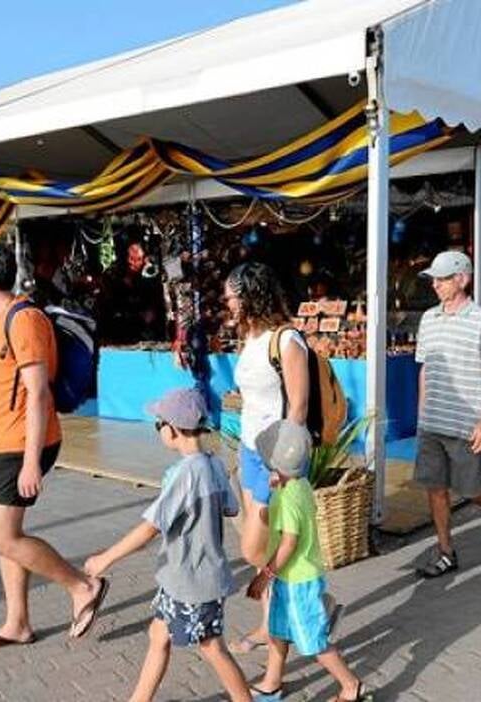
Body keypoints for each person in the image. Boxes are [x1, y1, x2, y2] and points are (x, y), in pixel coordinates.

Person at [0, 242, 108, 652]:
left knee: (0, 538)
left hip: (23, 442)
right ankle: (18, 623)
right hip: (0, 439)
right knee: (8, 536)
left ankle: (82, 586)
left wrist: (30, 462)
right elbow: (2, 377)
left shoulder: (25, 319)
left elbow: (39, 393)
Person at [84, 387, 251, 702]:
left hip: (193, 581)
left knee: (212, 647)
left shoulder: (186, 474)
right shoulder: (214, 464)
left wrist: (105, 558)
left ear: (172, 429)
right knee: (158, 634)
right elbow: (231, 508)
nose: (158, 429)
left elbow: (150, 528)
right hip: (182, 578)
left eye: (158, 424)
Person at [246, 420, 369, 702]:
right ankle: (272, 682)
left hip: (298, 581)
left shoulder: (288, 498)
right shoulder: (298, 485)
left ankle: (351, 686)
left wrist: (265, 574)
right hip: (288, 578)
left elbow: (289, 542)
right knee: (278, 630)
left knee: (312, 641)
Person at [413, 250, 481, 578]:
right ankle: (446, 552)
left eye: (442, 279)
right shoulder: (428, 318)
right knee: (435, 488)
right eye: (433, 280)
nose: (435, 285)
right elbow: (425, 368)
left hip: (465, 423)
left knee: (470, 489)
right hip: (432, 423)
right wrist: (421, 415)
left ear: (462, 279)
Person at [223, 262, 310, 652]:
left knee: (254, 548)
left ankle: (309, 606)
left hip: (277, 457)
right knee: (262, 549)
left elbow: (299, 407)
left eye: (231, 296)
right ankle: (270, 623)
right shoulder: (251, 337)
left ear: (250, 296)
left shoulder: (287, 340)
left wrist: (282, 465)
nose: (227, 302)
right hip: (250, 451)